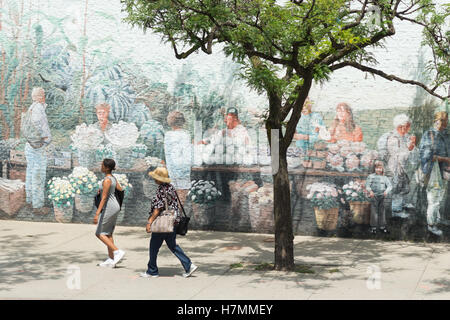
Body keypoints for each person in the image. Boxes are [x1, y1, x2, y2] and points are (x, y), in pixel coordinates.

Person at [140, 167, 198, 278]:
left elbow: (158, 209)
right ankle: (189, 265)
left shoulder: (161, 190)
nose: (153, 179)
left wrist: (149, 222)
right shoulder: (170, 187)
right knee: (172, 245)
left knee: (153, 246)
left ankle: (152, 271)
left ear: (160, 179)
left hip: (163, 223)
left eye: (155, 177)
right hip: (173, 221)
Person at [380, 114, 418, 218]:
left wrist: (412, 147)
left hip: (404, 166)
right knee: (396, 187)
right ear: (399, 126)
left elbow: (413, 155)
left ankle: (400, 205)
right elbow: (396, 154)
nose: (406, 129)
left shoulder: (406, 137)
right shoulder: (392, 137)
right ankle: (395, 210)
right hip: (394, 166)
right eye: (404, 126)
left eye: (407, 126)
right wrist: (409, 149)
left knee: (404, 186)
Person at [418, 111, 450, 236]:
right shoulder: (429, 134)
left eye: (446, 120)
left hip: (445, 171)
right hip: (433, 171)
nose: (444, 123)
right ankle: (431, 225)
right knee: (434, 197)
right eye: (441, 120)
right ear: (435, 121)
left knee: (440, 196)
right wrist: (444, 159)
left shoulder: (447, 135)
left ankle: (437, 219)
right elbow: (427, 156)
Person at [23, 87, 52, 215]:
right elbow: (41, 127)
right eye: (43, 94)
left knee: (30, 174)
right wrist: (46, 139)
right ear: (40, 96)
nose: (44, 96)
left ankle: (29, 201)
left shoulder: (31, 107)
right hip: (37, 147)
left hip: (29, 145)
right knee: (38, 176)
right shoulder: (39, 109)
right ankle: (38, 206)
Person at [93, 158, 126, 267]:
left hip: (109, 207)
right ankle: (111, 259)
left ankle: (117, 251)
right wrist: (103, 190)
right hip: (115, 206)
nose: (100, 167)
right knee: (108, 233)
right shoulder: (113, 178)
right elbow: (120, 190)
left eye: (102, 165)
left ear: (107, 167)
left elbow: (104, 198)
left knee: (99, 233)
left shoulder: (107, 180)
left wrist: (97, 213)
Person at [164, 111, 192, 205]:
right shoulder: (185, 135)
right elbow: (187, 154)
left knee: (173, 194)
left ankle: (172, 215)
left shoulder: (168, 135)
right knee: (182, 194)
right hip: (182, 168)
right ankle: (177, 216)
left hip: (171, 168)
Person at [366, 161, 393, 234]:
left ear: (382, 169)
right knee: (374, 211)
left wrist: (386, 191)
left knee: (382, 211)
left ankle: (382, 227)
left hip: (382, 196)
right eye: (377, 168)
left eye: (380, 168)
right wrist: (370, 191)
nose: (378, 170)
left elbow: (390, 186)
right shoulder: (371, 176)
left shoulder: (384, 178)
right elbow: (367, 185)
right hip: (374, 196)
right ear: (374, 168)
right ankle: (373, 227)